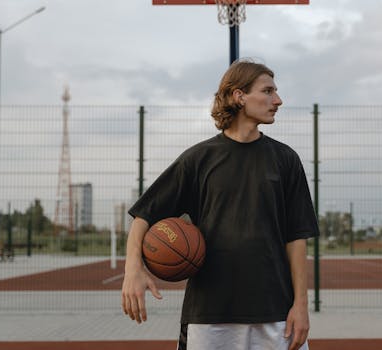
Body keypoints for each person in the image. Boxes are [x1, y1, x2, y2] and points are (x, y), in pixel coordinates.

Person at [121, 59, 319, 350]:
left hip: (276, 312)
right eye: (267, 91)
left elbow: (296, 238)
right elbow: (144, 215)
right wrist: (132, 270)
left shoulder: (286, 159)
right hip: (209, 314)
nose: (278, 100)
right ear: (239, 96)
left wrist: (300, 305)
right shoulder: (199, 159)